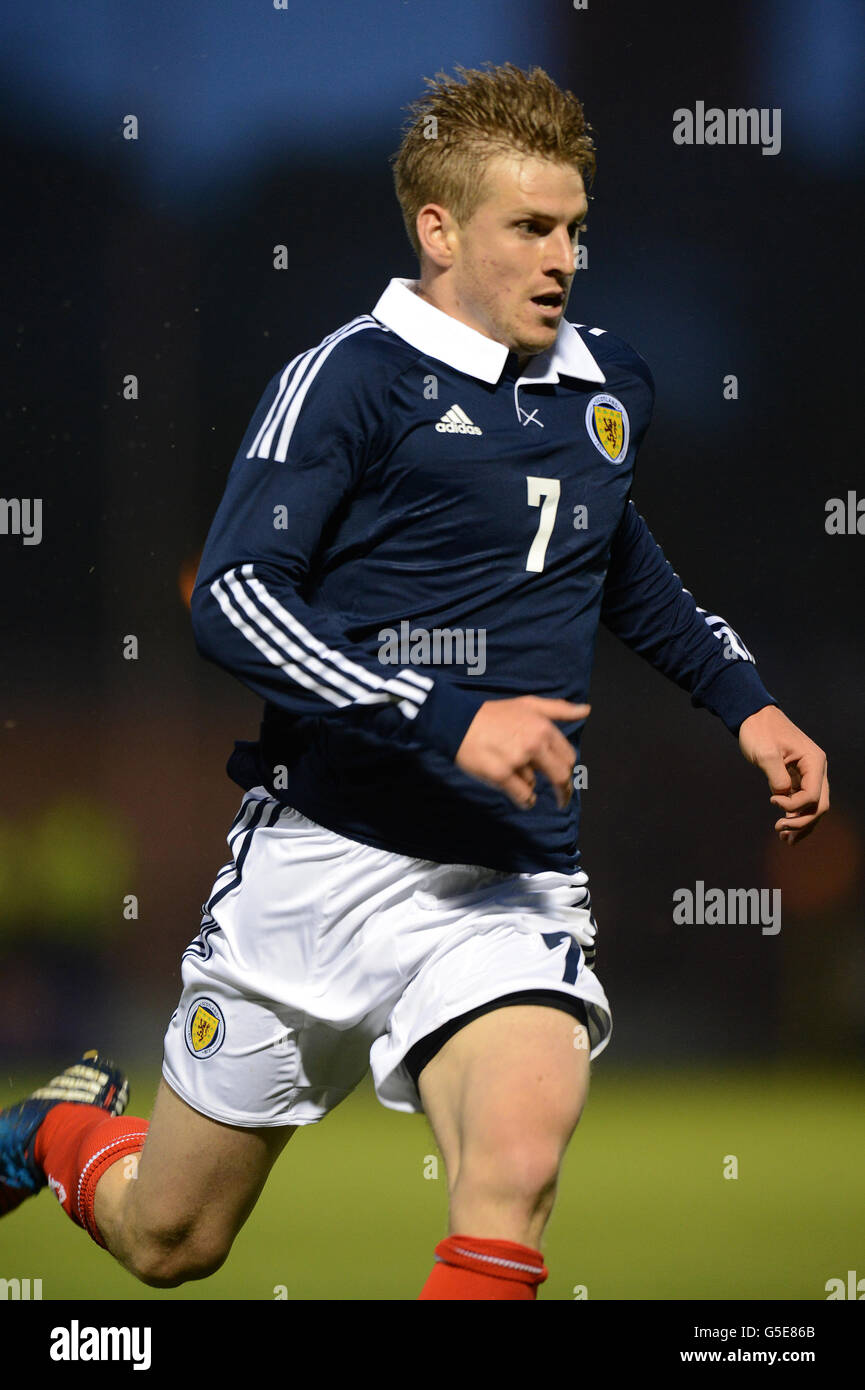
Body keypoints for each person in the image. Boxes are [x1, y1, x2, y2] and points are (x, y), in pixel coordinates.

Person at [0, 62, 828, 1301]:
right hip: (322, 861)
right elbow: (231, 601)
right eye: (530, 229)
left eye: (575, 230)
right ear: (438, 230)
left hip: (504, 877)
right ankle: (49, 1132)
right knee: (171, 1240)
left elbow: (617, 562)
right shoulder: (350, 381)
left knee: (516, 1160)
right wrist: (445, 712)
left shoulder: (607, 384)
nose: (562, 258)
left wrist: (745, 700)